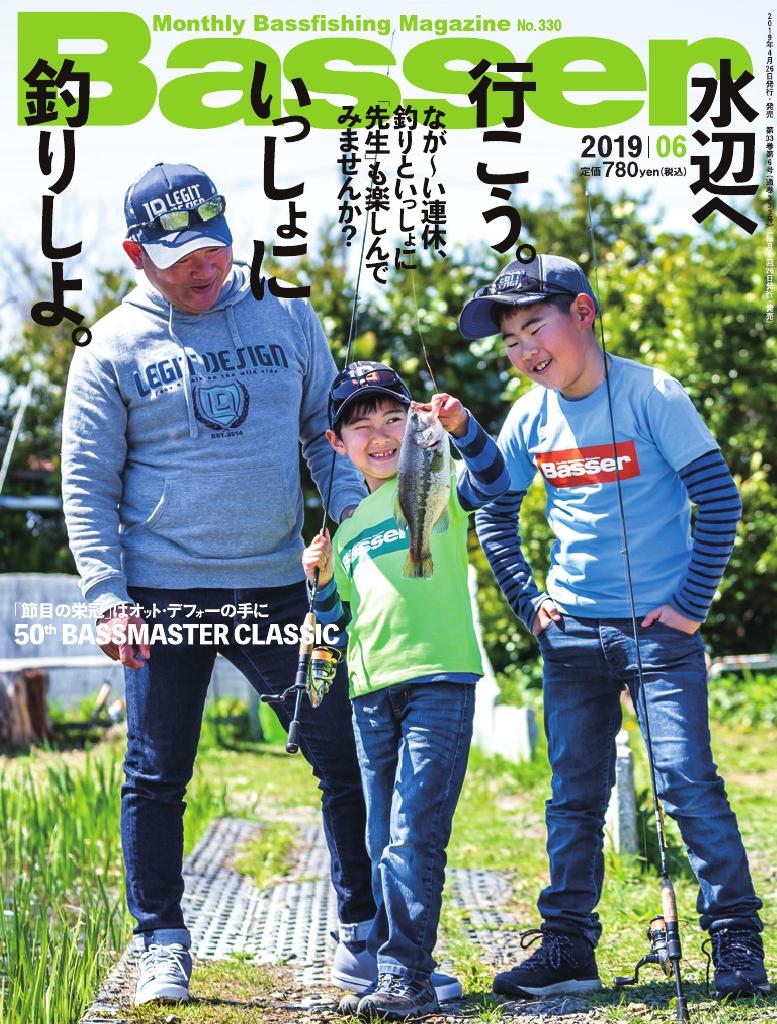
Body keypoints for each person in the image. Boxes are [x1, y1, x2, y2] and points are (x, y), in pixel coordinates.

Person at [61, 162, 379, 1005]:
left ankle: (364, 934)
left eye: (214, 249)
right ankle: (161, 942)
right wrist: (107, 597)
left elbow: (325, 436)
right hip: (161, 594)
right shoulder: (110, 348)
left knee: (339, 752)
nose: (203, 269)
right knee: (157, 772)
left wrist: (350, 524)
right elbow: (87, 484)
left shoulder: (287, 312)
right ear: (136, 254)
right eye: (180, 259)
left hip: (280, 590)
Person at [459, 253, 770, 1002]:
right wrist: (527, 601)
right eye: (510, 341)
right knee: (572, 797)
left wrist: (690, 604)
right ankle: (567, 947)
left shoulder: (651, 393)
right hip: (569, 635)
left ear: (584, 314)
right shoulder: (528, 416)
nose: (525, 351)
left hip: (659, 635)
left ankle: (736, 939)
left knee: (686, 782)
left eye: (535, 328)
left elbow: (718, 499)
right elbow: (493, 507)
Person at [301, 361, 510, 1020]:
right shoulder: (347, 526)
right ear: (337, 444)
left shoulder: (438, 479)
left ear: (415, 425)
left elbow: (495, 479)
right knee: (380, 839)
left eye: (394, 417)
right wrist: (318, 583)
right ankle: (398, 965)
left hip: (439, 680)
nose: (380, 434)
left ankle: (404, 975)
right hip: (370, 692)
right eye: (361, 425)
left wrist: (462, 428)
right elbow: (335, 623)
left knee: (414, 832)